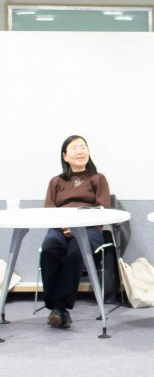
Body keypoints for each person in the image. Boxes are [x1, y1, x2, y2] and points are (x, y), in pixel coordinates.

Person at [41, 135, 111, 329]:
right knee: (49, 249)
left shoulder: (98, 178)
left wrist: (77, 226)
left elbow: (103, 209)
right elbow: (49, 209)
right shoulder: (56, 181)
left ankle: (59, 307)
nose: (80, 151)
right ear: (65, 156)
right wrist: (64, 225)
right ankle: (59, 309)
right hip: (60, 227)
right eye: (74, 148)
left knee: (75, 252)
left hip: (89, 230)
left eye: (83, 147)